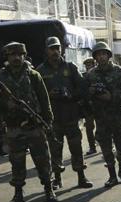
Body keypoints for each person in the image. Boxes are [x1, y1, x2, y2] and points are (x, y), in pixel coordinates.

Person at [0, 41, 58, 202]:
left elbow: (44, 99)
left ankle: (49, 189)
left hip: (34, 125)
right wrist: (6, 105)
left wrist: (47, 121)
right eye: (12, 55)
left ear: (24, 55)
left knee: (42, 159)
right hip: (14, 126)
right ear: (7, 57)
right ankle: (18, 193)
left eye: (19, 54)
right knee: (17, 162)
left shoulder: (33, 75)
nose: (16, 58)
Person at [36, 37, 92, 190]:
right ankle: (57, 179)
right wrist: (49, 94)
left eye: (57, 48)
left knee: (76, 147)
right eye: (52, 48)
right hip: (53, 118)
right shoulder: (40, 71)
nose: (55, 51)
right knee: (55, 149)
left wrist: (70, 94)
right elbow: (36, 95)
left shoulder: (70, 67)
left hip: (71, 116)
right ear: (46, 51)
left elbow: (83, 88)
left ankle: (81, 177)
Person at [85, 42, 121, 187]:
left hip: (118, 115)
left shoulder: (120, 71)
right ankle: (112, 176)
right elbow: (84, 94)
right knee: (106, 148)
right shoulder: (91, 74)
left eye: (104, 54)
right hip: (101, 118)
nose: (101, 57)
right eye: (98, 54)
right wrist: (91, 93)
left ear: (108, 55)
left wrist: (111, 96)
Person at [82, 57, 98, 155]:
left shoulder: (98, 74)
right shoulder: (83, 76)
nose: (88, 66)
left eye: (90, 64)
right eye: (87, 65)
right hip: (88, 106)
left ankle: (109, 145)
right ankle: (92, 147)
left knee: (104, 126)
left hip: (99, 104)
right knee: (89, 128)